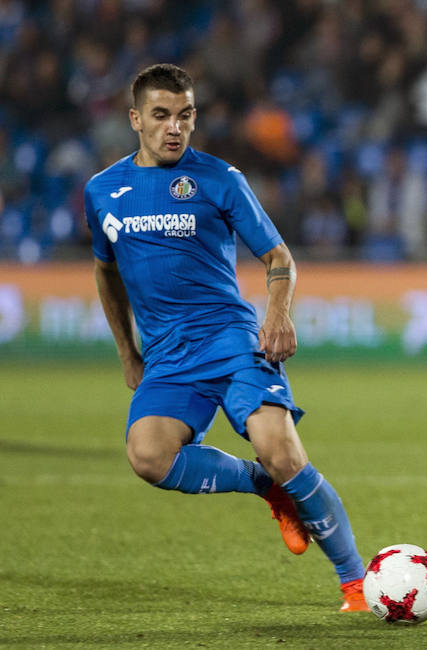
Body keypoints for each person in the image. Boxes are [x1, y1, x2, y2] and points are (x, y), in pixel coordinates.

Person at [84, 63, 368, 613]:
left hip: (232, 340)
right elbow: (105, 270)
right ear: (135, 118)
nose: (175, 128)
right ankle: (265, 488)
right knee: (149, 456)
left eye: (185, 115)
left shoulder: (218, 179)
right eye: (162, 115)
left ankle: (355, 582)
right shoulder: (103, 191)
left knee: (280, 449)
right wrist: (128, 351)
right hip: (168, 357)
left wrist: (278, 313)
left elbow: (278, 257)